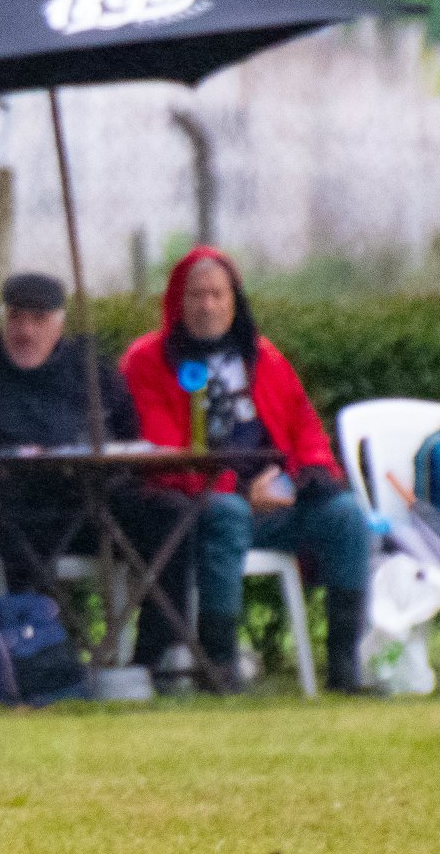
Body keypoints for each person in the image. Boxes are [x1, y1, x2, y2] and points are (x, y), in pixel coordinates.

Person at [0, 272, 192, 671]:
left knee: (172, 516)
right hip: (11, 521)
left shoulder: (94, 377)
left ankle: (155, 658)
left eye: (37, 321)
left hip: (93, 514)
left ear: (59, 324)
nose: (25, 331)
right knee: (15, 529)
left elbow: (129, 447)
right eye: (17, 319)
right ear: (2, 320)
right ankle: (40, 660)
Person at [121, 246, 371, 692]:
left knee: (345, 516)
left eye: (218, 295)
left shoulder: (264, 358)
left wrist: (309, 477)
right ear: (178, 301)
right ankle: (219, 667)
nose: (209, 306)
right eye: (197, 296)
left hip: (277, 501)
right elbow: (160, 454)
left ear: (234, 300)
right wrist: (239, 491)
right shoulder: (146, 362)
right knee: (228, 513)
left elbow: (305, 428)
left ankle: (344, 666)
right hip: (198, 511)